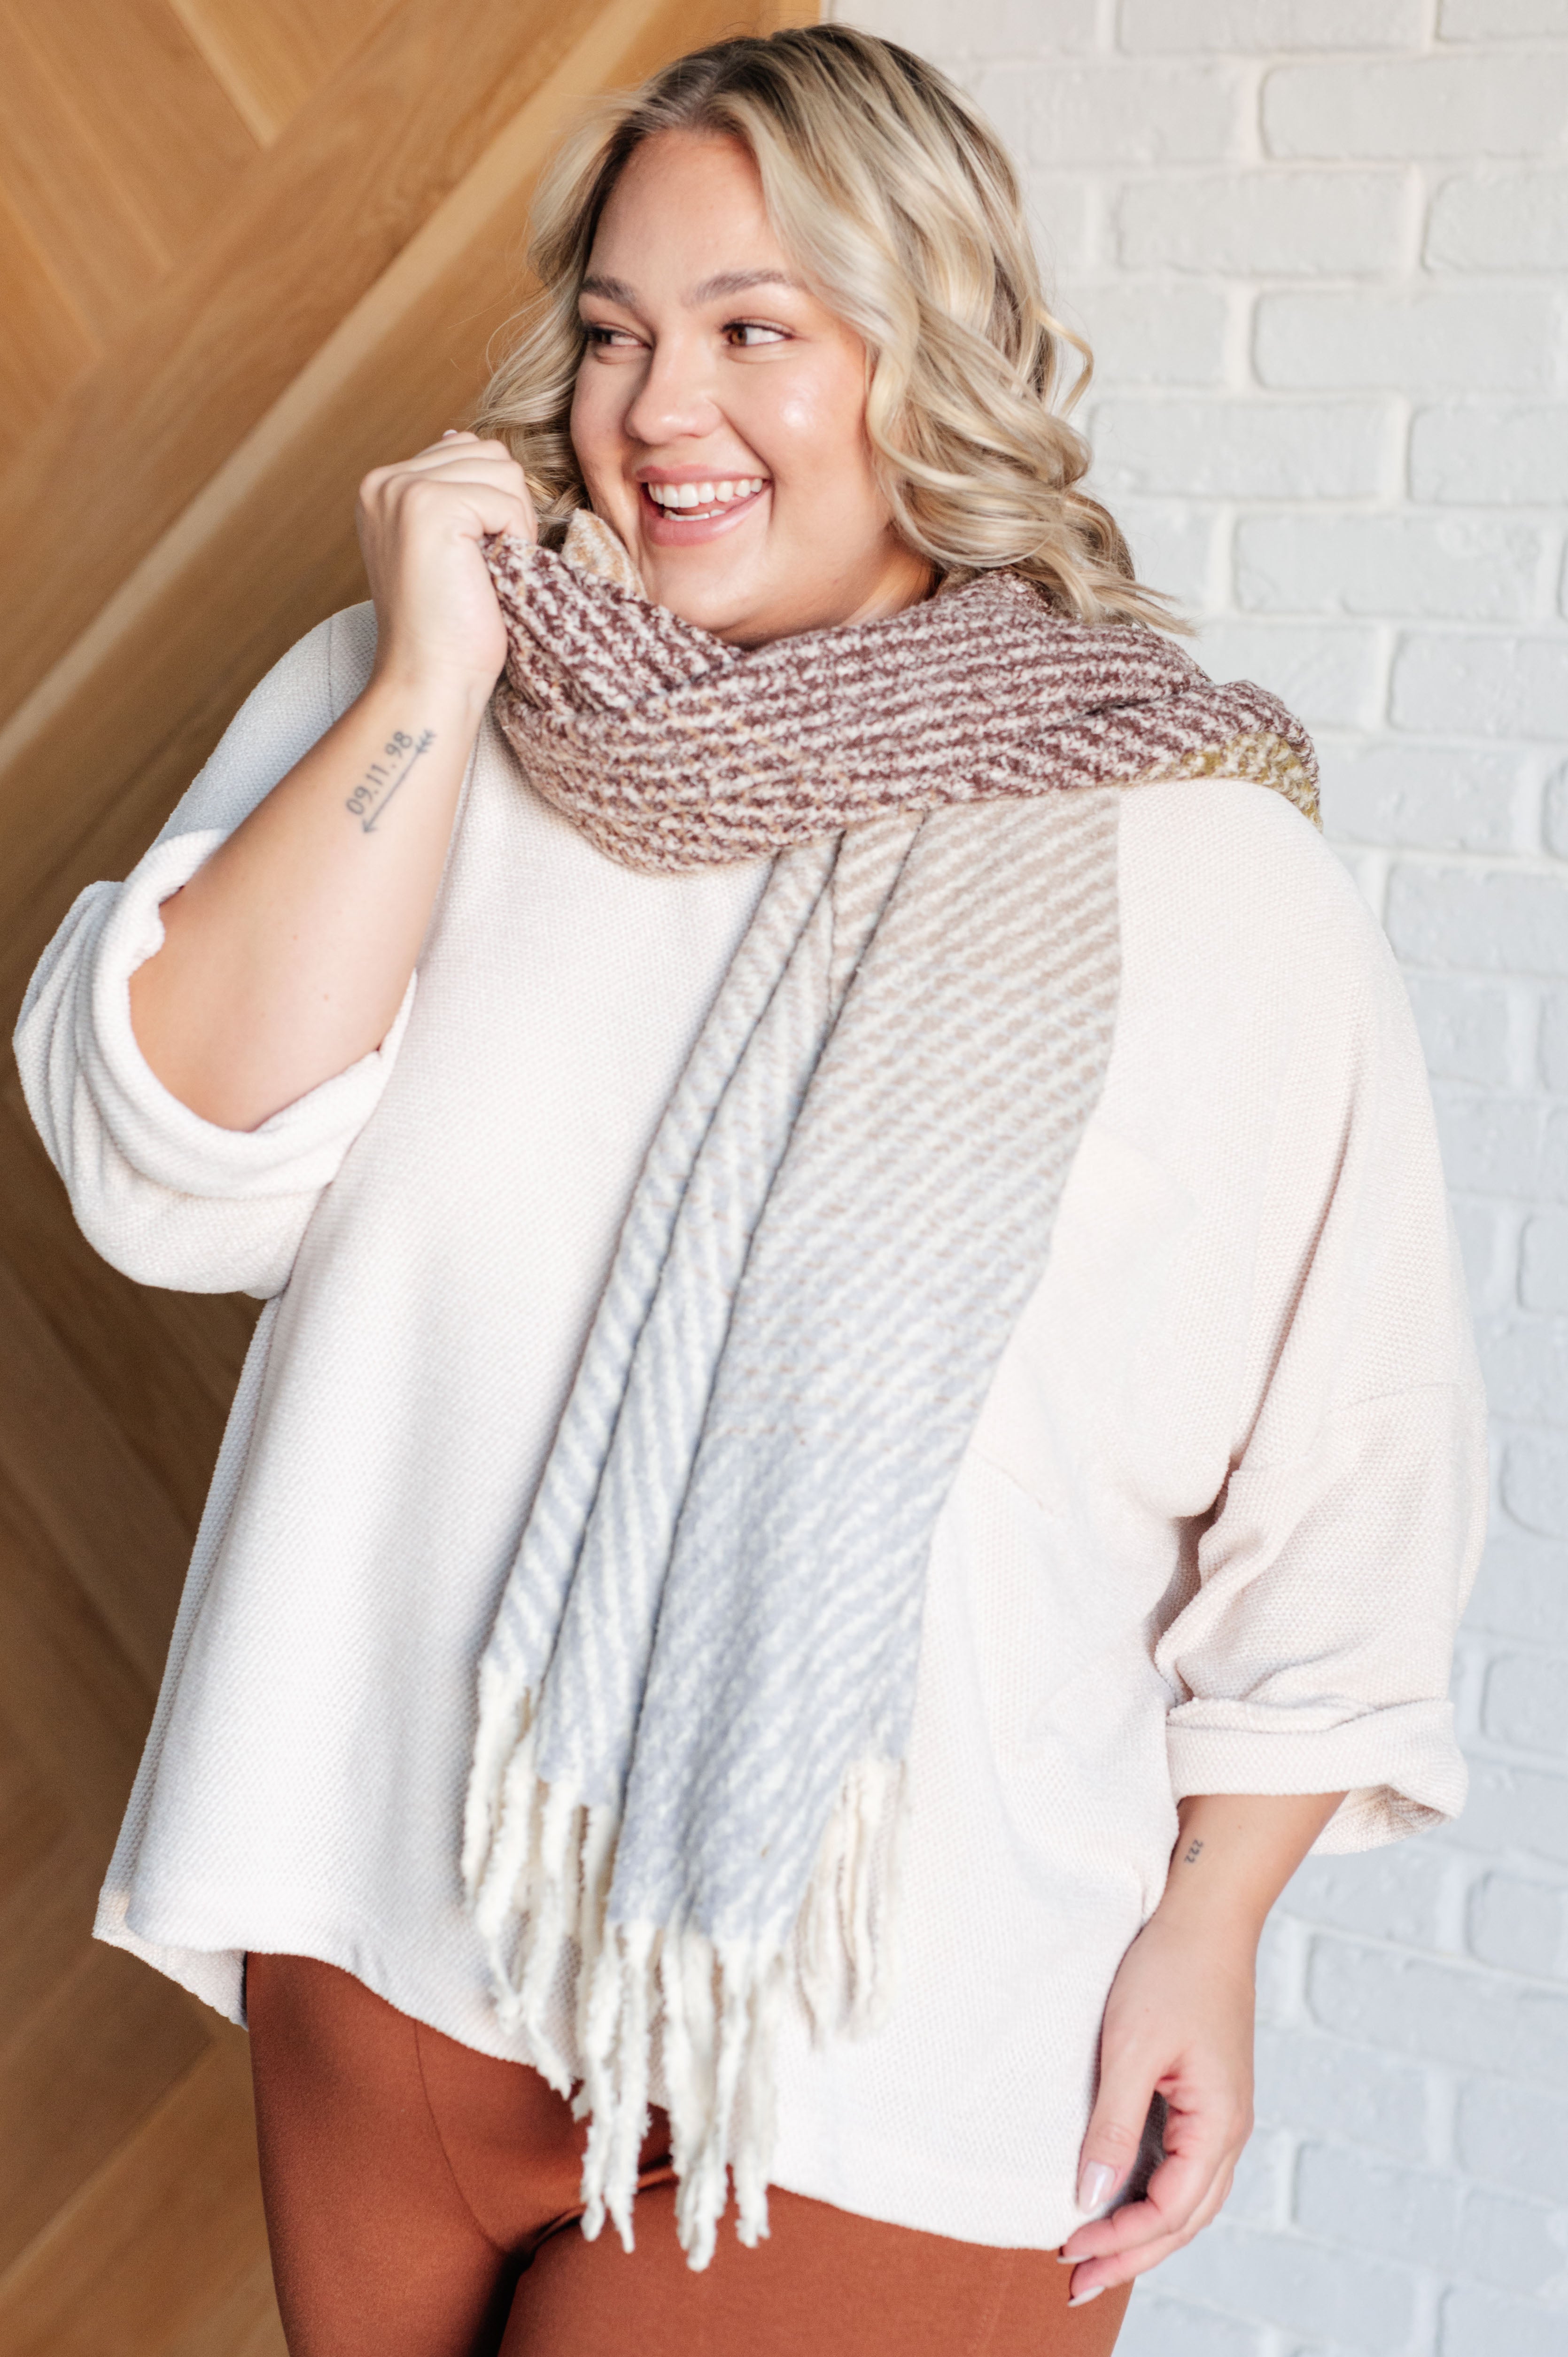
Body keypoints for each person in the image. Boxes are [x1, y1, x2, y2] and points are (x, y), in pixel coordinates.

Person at [15, 25, 1483, 2357]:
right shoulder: (426, 713)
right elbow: (165, 1164)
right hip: (391, 1926)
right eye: (611, 330)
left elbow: (1352, 1475)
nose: (656, 407)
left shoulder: (1198, 861)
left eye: (752, 330)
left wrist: (1212, 1922)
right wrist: (425, 670)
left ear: (934, 355)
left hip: (908, 2022)